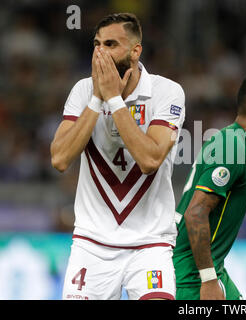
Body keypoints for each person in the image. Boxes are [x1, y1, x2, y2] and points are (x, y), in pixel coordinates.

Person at [50, 13, 185, 300]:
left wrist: (114, 99)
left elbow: (149, 161)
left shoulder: (167, 92)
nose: (100, 52)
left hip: (150, 243)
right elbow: (60, 159)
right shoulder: (83, 90)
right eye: (97, 44)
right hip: (92, 243)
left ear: (136, 51)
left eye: (111, 44)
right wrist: (97, 99)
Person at [172, 73, 246, 300]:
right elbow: (196, 212)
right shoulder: (233, 147)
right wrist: (208, 279)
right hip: (192, 278)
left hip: (209, 269)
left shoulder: (232, 141)